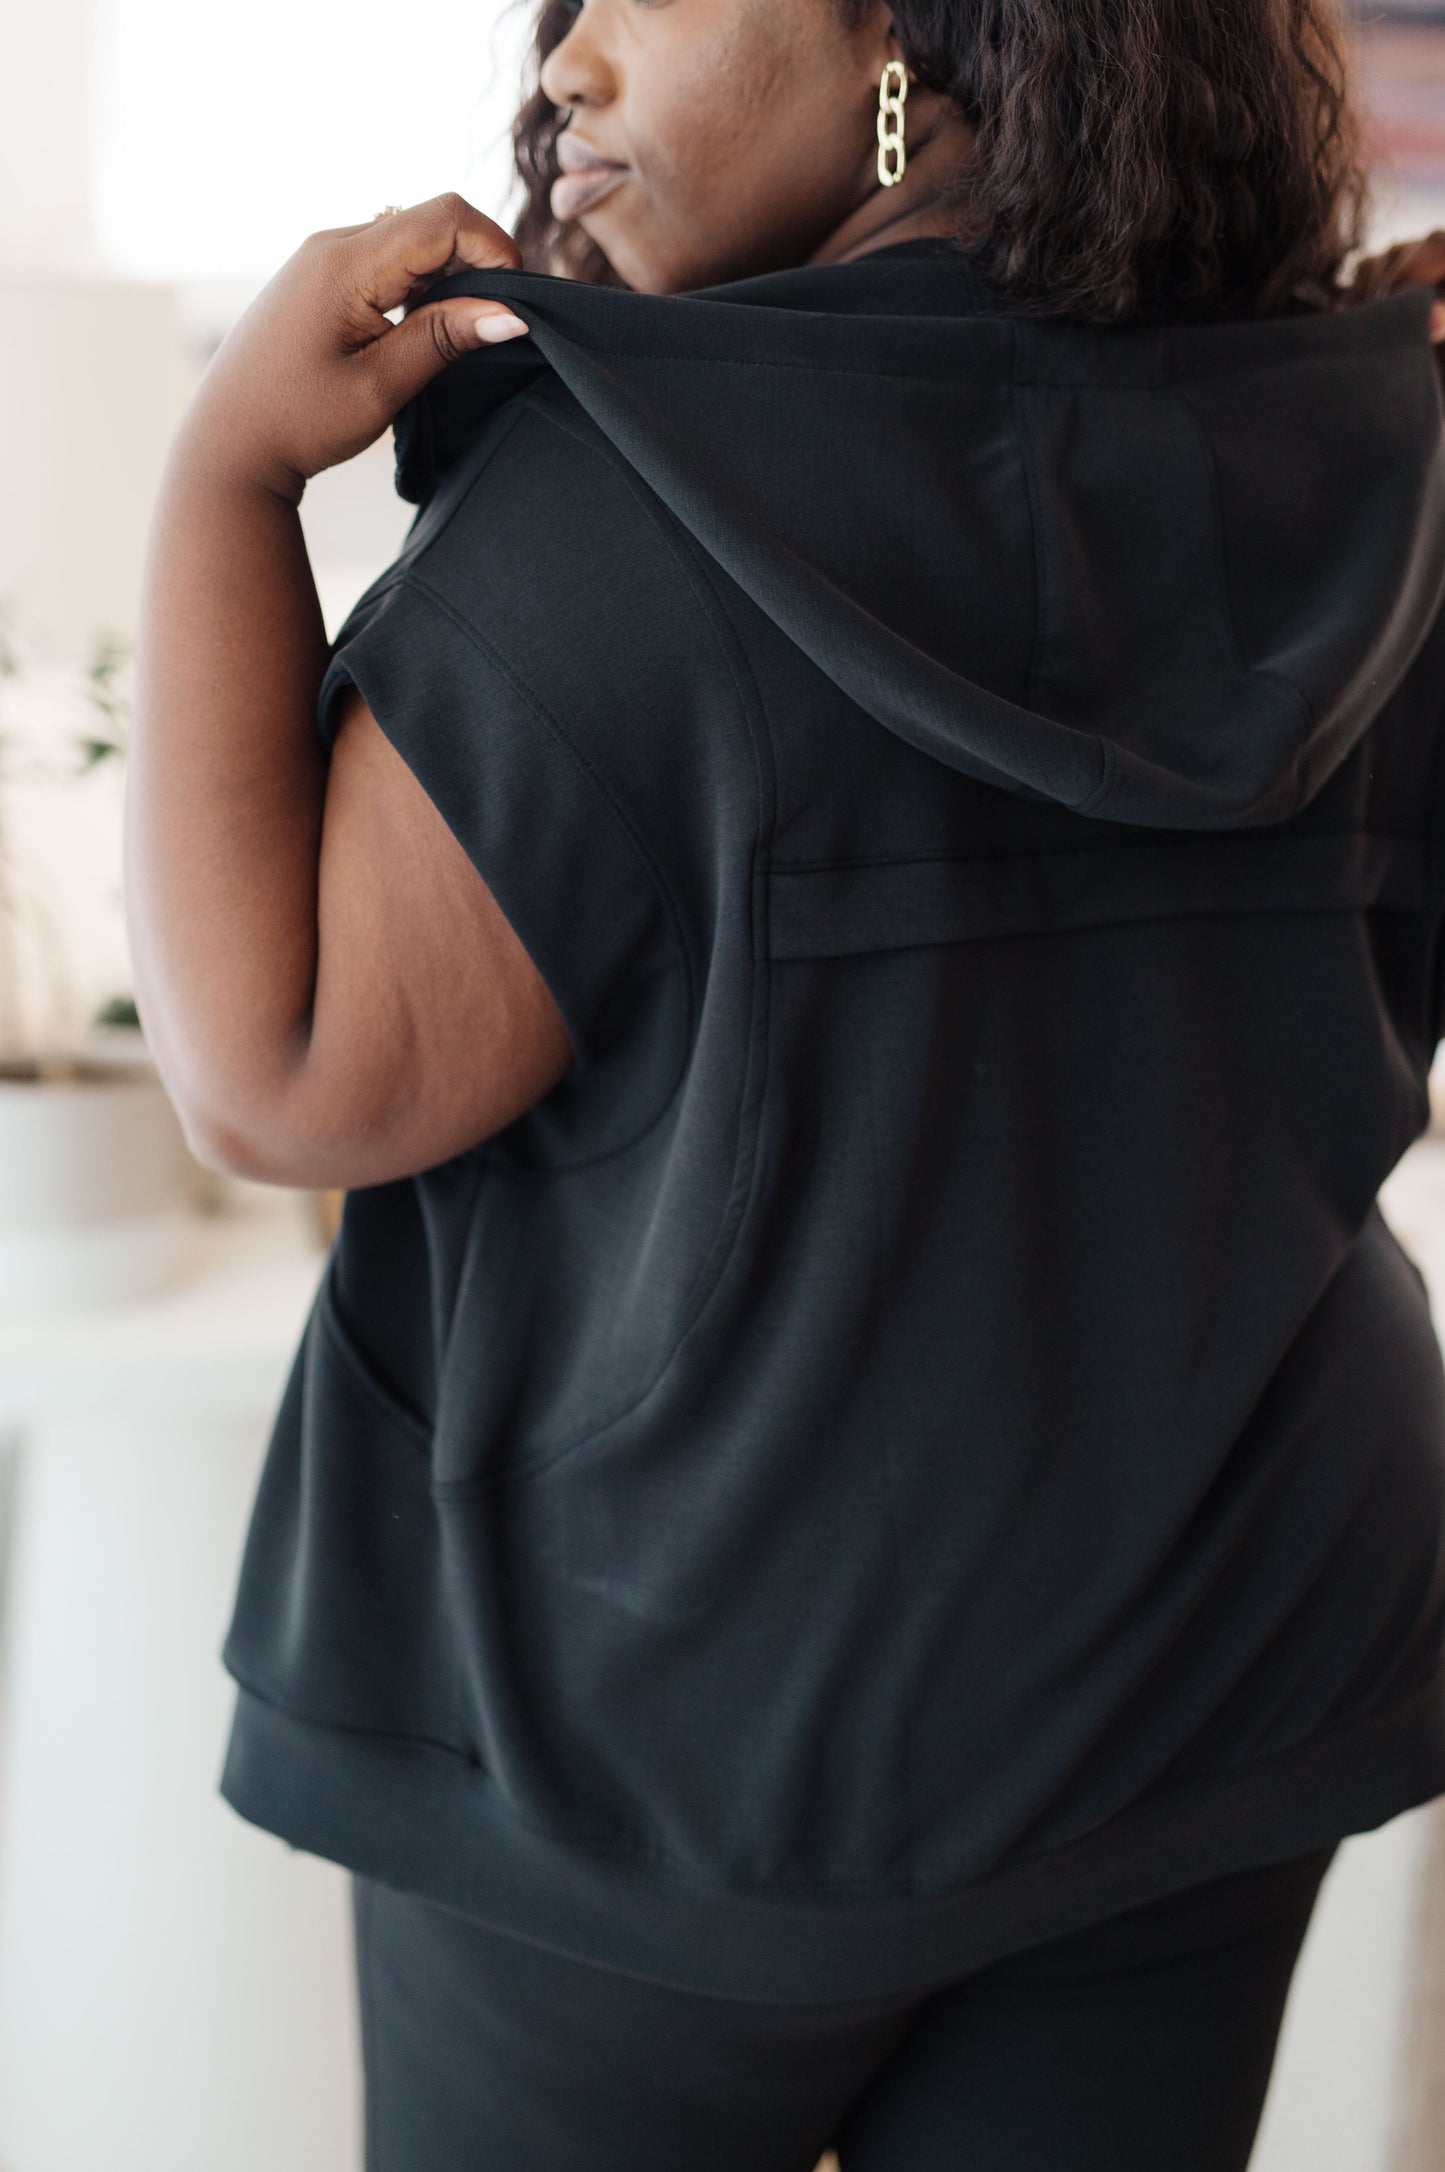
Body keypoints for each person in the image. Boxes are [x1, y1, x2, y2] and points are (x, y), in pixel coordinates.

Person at [124, 0, 1445, 2164]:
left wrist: (225, 474)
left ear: (911, 35)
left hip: (669, 1737)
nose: (563, 67)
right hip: (1219, 1661)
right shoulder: (1372, 459)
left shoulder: (629, 503)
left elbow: (277, 1073)